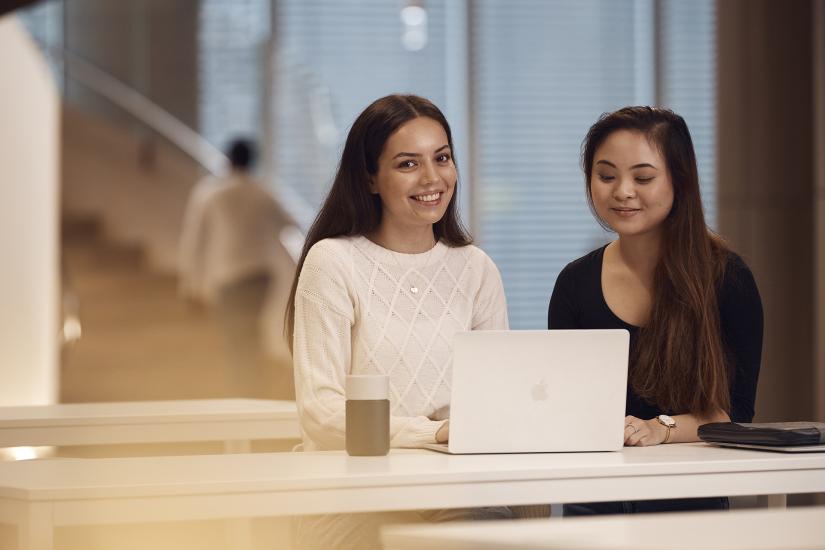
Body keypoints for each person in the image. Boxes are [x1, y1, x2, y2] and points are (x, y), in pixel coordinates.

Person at [285, 94, 542, 550]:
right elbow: (321, 412)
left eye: (442, 158)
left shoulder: (475, 268)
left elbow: (495, 400)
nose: (432, 178)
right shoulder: (334, 262)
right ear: (369, 179)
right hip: (355, 490)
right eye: (408, 164)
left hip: (455, 488)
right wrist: (436, 432)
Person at [548, 106, 763, 515]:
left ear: (679, 181)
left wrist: (659, 429)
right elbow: (567, 406)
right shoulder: (574, 283)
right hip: (593, 498)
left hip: (688, 498)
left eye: (643, 177)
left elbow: (735, 415)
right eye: (606, 176)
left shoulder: (727, 278)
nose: (622, 191)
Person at [179, 138, 292, 396]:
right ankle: (253, 392)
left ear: (228, 159)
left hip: (228, 277)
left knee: (234, 340)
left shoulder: (210, 192)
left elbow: (193, 241)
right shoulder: (262, 192)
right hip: (260, 277)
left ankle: (242, 393)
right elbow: (287, 224)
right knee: (250, 335)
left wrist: (188, 287)